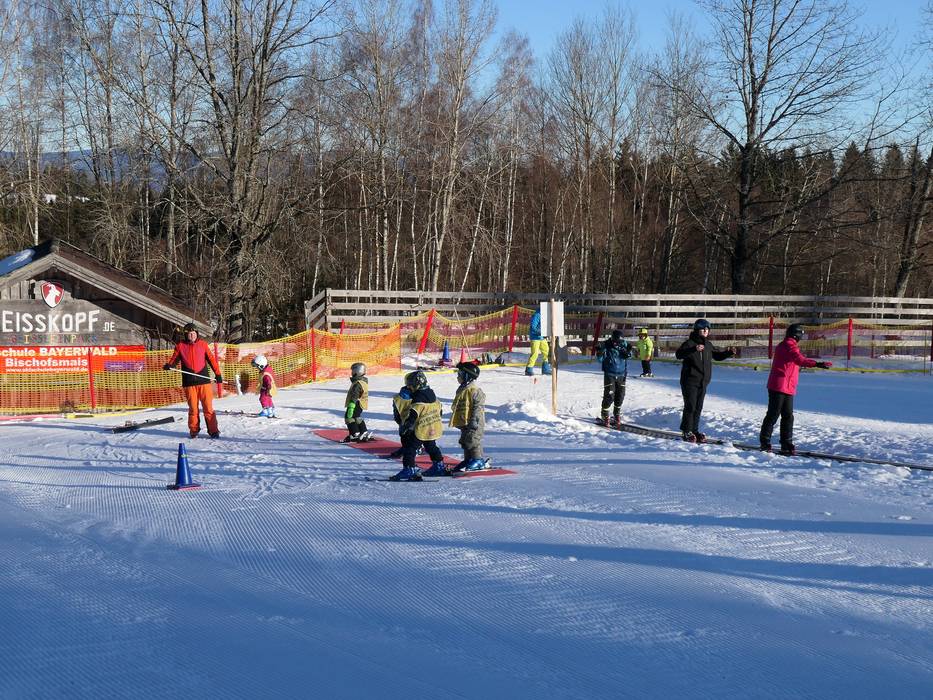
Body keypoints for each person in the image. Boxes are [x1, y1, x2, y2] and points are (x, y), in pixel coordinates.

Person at [759, 324, 832, 455]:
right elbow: (799, 359)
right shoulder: (788, 345)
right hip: (779, 385)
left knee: (788, 416)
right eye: (801, 335)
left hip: (788, 386)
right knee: (773, 414)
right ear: (796, 334)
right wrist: (817, 364)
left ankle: (786, 443)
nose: (801, 338)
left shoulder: (788, 345)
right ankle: (765, 442)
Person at [675, 319, 735, 443]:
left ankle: (694, 430)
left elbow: (717, 356)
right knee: (690, 406)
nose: (706, 331)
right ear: (697, 330)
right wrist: (694, 349)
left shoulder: (708, 344)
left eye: (708, 329)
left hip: (703, 382)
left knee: (698, 407)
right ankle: (686, 431)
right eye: (703, 329)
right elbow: (679, 354)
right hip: (689, 380)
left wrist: (728, 353)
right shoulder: (689, 343)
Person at [164, 322, 223, 438]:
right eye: (190, 334)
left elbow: (211, 360)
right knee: (193, 409)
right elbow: (174, 359)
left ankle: (213, 431)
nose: (192, 336)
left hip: (203, 382)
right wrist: (169, 365)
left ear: (197, 334)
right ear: (186, 335)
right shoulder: (181, 346)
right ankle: (194, 430)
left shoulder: (203, 345)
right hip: (189, 383)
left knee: (208, 408)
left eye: (194, 333)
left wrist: (218, 374)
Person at [391, 370, 445, 481]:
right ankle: (439, 466)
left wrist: (407, 426)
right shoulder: (433, 396)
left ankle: (409, 469)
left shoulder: (417, 400)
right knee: (431, 446)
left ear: (416, 385)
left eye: (410, 385)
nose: (409, 387)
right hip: (431, 427)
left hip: (420, 430)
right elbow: (440, 412)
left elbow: (413, 415)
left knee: (409, 449)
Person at [443, 361, 489, 474]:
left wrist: (474, 421)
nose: (458, 376)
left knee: (473, 440)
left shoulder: (475, 391)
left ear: (467, 376)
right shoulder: (462, 389)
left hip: (475, 421)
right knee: (465, 441)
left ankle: (478, 460)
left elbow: (478, 408)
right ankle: (468, 460)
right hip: (465, 421)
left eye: (460, 374)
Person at [595, 329, 632, 428]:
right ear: (612, 339)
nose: (616, 344)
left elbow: (629, 356)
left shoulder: (624, 344)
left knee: (620, 395)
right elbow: (600, 360)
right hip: (610, 374)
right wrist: (599, 352)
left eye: (618, 342)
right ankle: (605, 415)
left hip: (621, 374)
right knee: (609, 395)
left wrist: (628, 351)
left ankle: (617, 414)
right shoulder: (606, 345)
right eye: (615, 341)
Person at [344, 362, 371, 442]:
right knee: (356, 417)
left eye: (353, 371)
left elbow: (355, 395)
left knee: (349, 418)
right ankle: (363, 431)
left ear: (357, 371)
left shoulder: (357, 383)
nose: (352, 373)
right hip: (361, 403)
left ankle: (354, 434)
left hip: (355, 403)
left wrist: (351, 406)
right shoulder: (363, 382)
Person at [387, 383, 414, 459]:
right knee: (414, 435)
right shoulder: (418, 396)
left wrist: (399, 421)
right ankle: (412, 448)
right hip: (415, 420)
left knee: (404, 435)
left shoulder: (397, 397)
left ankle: (407, 448)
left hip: (403, 420)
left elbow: (396, 412)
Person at [525, 309, 552, 376]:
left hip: (542, 337)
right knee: (535, 353)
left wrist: (547, 332)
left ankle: (545, 368)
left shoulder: (546, 315)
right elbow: (533, 326)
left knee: (546, 351)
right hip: (535, 337)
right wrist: (541, 332)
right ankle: (529, 369)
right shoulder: (537, 315)